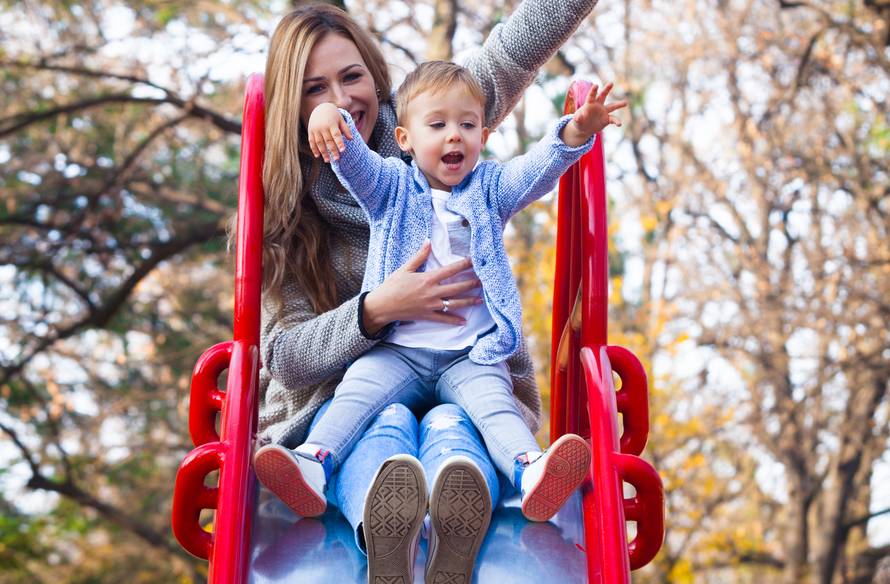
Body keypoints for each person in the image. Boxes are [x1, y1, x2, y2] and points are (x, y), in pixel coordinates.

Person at [252, 3, 606, 583]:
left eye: (351, 77)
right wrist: (375, 310)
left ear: (374, 74)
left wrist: (572, 134)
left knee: (457, 425)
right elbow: (285, 359)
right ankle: (372, 514)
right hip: (352, 398)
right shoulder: (299, 207)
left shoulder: (437, 119)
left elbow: (515, 51)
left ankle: (463, 517)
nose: (341, 101)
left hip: (462, 372)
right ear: (294, 106)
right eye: (316, 89)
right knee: (382, 418)